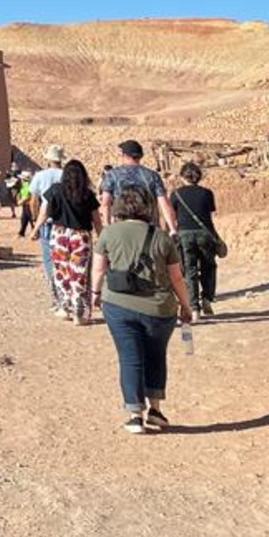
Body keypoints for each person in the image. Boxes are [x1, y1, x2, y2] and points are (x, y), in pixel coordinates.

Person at [91, 184, 193, 434]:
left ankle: (135, 414)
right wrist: (185, 305)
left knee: (130, 357)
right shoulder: (160, 237)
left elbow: (99, 269)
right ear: (147, 207)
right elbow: (177, 277)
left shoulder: (109, 233)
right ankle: (155, 409)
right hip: (159, 309)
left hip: (118, 304)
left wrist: (94, 294)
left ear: (118, 207)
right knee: (156, 355)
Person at [33, 159, 101, 324]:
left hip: (59, 234)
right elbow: (96, 220)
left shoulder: (55, 190)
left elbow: (44, 212)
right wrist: (102, 236)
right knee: (79, 272)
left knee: (61, 271)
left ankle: (64, 308)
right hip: (81, 236)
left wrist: (36, 229)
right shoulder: (87, 194)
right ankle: (80, 313)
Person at [170, 163, 222, 317]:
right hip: (205, 233)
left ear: (182, 177)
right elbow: (209, 216)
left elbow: (172, 216)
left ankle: (194, 308)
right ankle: (207, 297)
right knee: (208, 266)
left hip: (184, 234)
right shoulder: (207, 193)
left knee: (189, 270)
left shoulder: (176, 194)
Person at [100, 140, 178, 233]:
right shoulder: (152, 175)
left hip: (121, 228)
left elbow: (105, 204)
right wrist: (172, 228)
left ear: (125, 155)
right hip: (148, 228)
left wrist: (107, 226)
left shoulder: (112, 175)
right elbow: (164, 203)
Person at [28, 147, 66, 310]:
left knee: (49, 261)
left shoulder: (40, 176)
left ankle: (56, 299)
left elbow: (33, 200)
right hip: (65, 222)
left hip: (47, 223)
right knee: (64, 259)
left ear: (48, 160)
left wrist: (35, 221)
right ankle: (67, 296)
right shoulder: (67, 175)